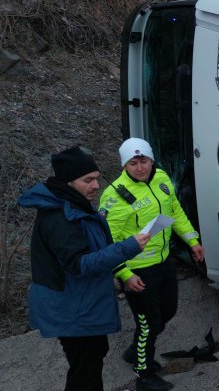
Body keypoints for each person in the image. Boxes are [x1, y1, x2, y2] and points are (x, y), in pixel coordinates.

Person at [18, 145, 150, 391]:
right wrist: (128, 247)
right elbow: (80, 264)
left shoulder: (75, 206)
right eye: (88, 180)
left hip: (81, 304)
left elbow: (96, 248)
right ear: (68, 182)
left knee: (91, 359)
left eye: (97, 179)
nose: (96, 186)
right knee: (85, 371)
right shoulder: (59, 217)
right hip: (70, 309)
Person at [99, 137, 204, 391]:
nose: (140, 167)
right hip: (137, 271)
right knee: (149, 324)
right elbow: (105, 241)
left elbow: (173, 211)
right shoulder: (113, 197)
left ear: (151, 160)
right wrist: (124, 274)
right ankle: (143, 376)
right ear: (124, 165)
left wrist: (192, 241)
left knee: (167, 312)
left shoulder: (161, 178)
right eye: (133, 163)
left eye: (143, 160)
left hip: (163, 261)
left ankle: (135, 351)